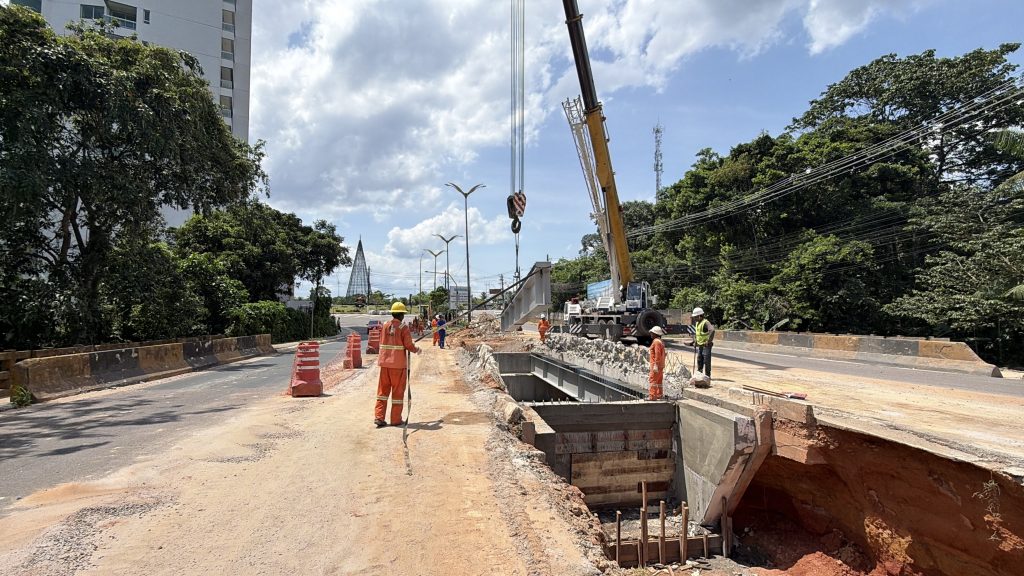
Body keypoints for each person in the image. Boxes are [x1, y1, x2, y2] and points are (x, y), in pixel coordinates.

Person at [374, 302, 421, 428]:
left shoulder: (384, 326)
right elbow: (408, 345)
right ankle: (395, 420)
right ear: (400, 315)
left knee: (382, 392)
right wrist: (417, 350)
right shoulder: (403, 327)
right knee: (397, 393)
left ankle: (379, 417)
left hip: (384, 364)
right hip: (398, 366)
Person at [692, 307, 715, 378]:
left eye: (696, 317)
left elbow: (712, 330)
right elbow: (698, 333)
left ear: (700, 316)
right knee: (699, 359)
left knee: (706, 361)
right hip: (700, 345)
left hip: (706, 345)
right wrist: (695, 341)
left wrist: (708, 341)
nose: (694, 319)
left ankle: (707, 376)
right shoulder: (697, 323)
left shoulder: (705, 322)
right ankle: (699, 374)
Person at [648, 326, 666, 400]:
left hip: (656, 365)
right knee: (659, 381)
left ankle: (652, 396)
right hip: (661, 365)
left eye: (652, 333)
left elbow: (657, 354)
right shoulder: (660, 342)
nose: (651, 334)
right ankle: (659, 395)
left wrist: (656, 365)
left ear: (655, 334)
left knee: (653, 380)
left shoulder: (656, 342)